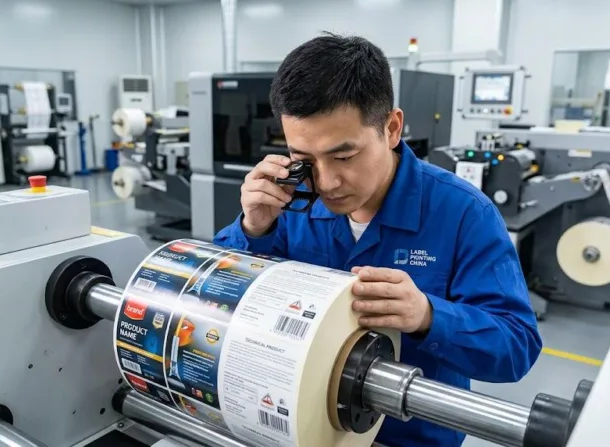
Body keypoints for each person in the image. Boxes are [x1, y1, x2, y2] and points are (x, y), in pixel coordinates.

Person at [212, 33, 542, 447]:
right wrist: (253, 230)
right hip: (299, 427)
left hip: (411, 437)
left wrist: (427, 315)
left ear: (391, 128)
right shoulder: (288, 204)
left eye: (344, 156)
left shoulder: (463, 214)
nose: (327, 182)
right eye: (304, 159)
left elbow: (516, 346)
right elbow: (215, 301)